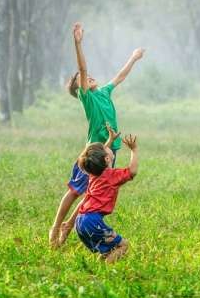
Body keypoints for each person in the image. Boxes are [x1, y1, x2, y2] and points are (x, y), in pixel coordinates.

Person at [48, 22, 144, 248]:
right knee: (74, 191)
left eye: (89, 76)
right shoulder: (87, 98)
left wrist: (133, 58)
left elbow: (119, 76)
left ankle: (70, 224)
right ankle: (56, 227)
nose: (88, 77)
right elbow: (82, 69)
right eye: (83, 79)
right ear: (79, 88)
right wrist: (78, 43)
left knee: (96, 190)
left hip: (111, 150)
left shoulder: (103, 92)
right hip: (93, 152)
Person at [75, 130, 139, 263]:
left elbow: (99, 155)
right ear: (107, 159)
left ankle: (98, 270)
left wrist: (110, 140)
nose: (108, 148)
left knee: (108, 250)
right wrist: (134, 150)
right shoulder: (112, 176)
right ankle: (107, 273)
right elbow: (132, 171)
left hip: (80, 221)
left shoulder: (94, 173)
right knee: (123, 245)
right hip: (92, 221)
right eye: (106, 149)